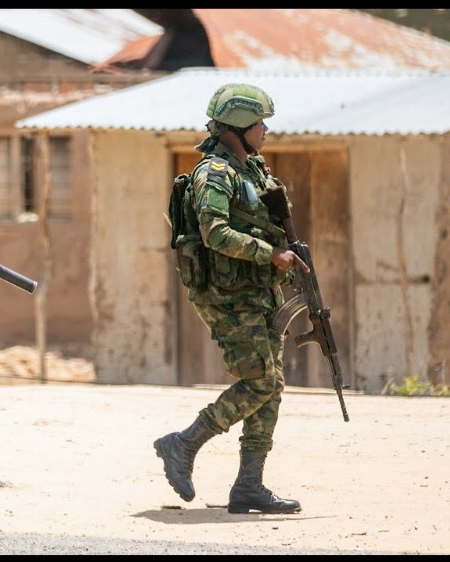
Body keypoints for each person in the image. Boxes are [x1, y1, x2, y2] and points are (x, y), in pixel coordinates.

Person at [155, 83, 310, 514]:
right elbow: (215, 233)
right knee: (260, 380)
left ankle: (248, 486)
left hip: (257, 291)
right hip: (226, 294)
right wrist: (270, 254)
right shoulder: (214, 174)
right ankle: (184, 443)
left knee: (271, 385)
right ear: (238, 127)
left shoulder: (252, 170)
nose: (265, 130)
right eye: (259, 123)